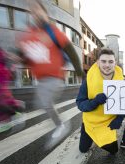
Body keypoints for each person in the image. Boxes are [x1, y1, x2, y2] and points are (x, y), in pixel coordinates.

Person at [17, 0, 84, 138]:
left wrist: (78, 71)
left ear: (44, 13)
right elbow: (28, 57)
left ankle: (61, 126)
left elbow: (70, 50)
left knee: (45, 102)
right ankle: (60, 124)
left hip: (54, 77)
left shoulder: (52, 31)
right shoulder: (30, 35)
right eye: (32, 11)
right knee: (41, 104)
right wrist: (18, 58)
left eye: (38, 10)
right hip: (41, 79)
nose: (35, 13)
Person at [76, 48, 125, 154]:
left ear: (115, 63)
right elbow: (80, 103)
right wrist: (95, 101)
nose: (107, 65)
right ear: (97, 62)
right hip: (93, 120)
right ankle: (89, 131)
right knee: (83, 150)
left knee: (114, 151)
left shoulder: (120, 76)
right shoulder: (89, 79)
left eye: (111, 62)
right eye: (103, 61)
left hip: (110, 119)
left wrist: (119, 118)